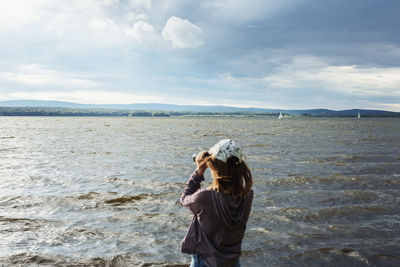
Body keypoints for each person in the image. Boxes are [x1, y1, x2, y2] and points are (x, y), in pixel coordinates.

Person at [180, 139, 254, 267]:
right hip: (232, 261)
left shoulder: (205, 197)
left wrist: (199, 171)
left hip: (204, 261)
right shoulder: (248, 196)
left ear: (213, 166)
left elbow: (184, 199)